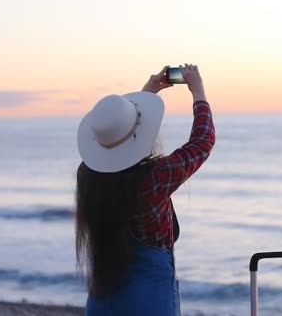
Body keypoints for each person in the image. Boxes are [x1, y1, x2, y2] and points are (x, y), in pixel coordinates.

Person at [75, 64, 216, 315]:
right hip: (149, 302)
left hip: (102, 301)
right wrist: (198, 91)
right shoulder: (154, 178)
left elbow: (118, 144)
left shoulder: (86, 176)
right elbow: (202, 142)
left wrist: (147, 93)